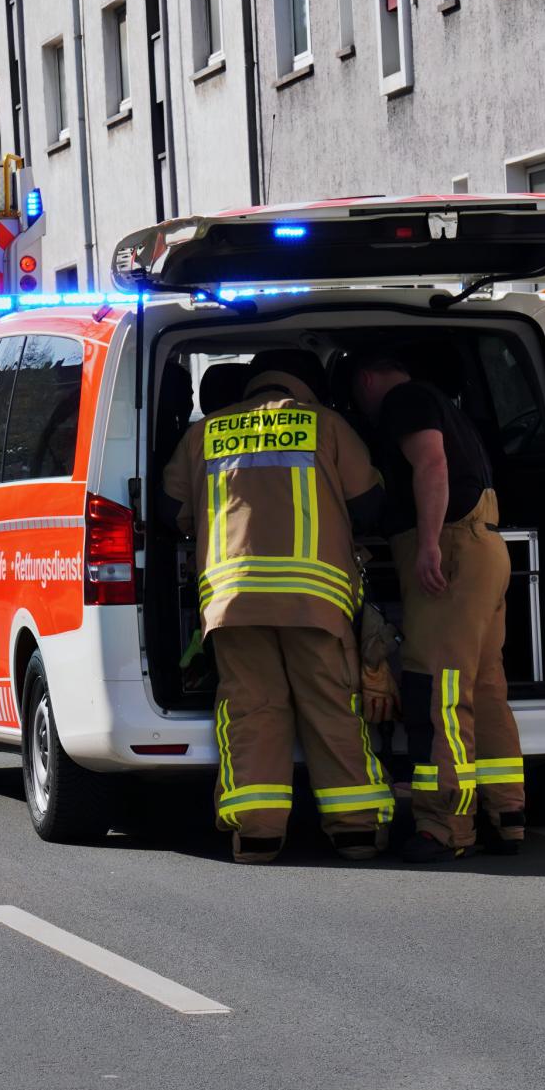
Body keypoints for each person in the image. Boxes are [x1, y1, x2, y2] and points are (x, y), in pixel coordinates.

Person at [163, 350, 393, 863]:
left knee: (251, 709)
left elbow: (169, 510)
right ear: (309, 385)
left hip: (233, 602)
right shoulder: (326, 425)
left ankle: (258, 833)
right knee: (331, 707)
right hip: (316, 601)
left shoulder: (204, 433)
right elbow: (369, 507)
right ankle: (355, 829)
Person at [342, 352, 523, 861]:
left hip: (452, 551)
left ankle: (445, 827)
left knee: (438, 691)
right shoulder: (445, 405)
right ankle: (506, 815)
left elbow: (431, 463)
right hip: (484, 547)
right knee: (484, 688)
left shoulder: (403, 400)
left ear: (367, 378)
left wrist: (427, 545)